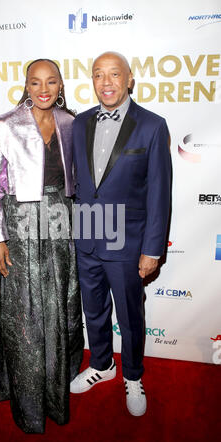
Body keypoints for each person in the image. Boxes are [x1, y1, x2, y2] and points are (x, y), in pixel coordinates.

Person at [0, 58, 84, 433]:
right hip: (19, 228)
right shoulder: (5, 126)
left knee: (61, 305)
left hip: (59, 223)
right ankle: (27, 401)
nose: (44, 89)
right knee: (24, 315)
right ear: (26, 85)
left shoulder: (72, 124)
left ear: (60, 85)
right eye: (36, 82)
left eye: (51, 81)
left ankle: (59, 384)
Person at [70, 51, 171, 416]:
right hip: (87, 235)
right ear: (92, 81)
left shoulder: (152, 125)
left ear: (130, 80)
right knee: (93, 310)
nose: (106, 82)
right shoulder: (78, 124)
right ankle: (101, 365)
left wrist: (153, 249)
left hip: (128, 240)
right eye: (99, 74)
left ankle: (132, 375)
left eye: (115, 74)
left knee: (130, 316)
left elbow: (160, 191)